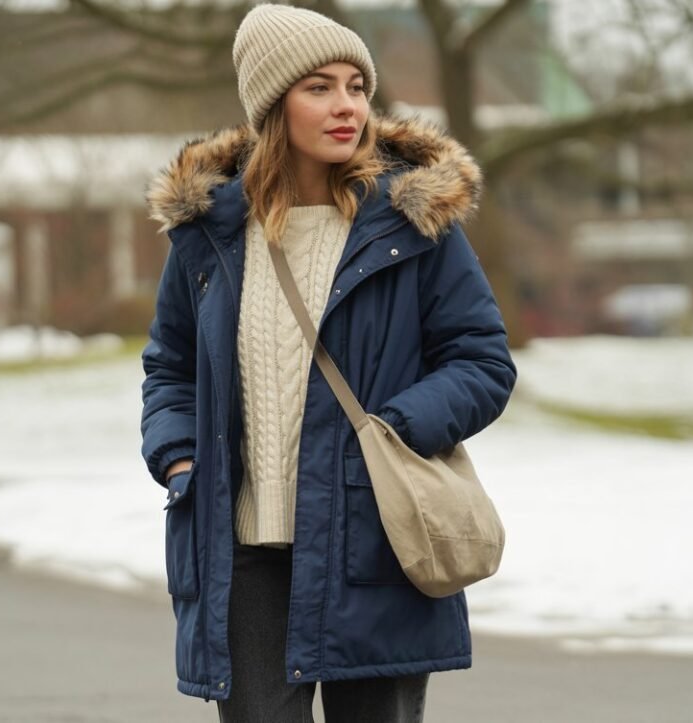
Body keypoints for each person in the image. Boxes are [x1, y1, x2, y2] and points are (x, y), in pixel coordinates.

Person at [140, 3, 517, 721]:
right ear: (271, 105)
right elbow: (170, 367)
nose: (347, 106)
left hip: (372, 540)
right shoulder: (209, 234)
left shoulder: (413, 224)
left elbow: (482, 361)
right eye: (319, 87)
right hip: (241, 552)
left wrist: (394, 428)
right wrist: (180, 457)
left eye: (355, 86)